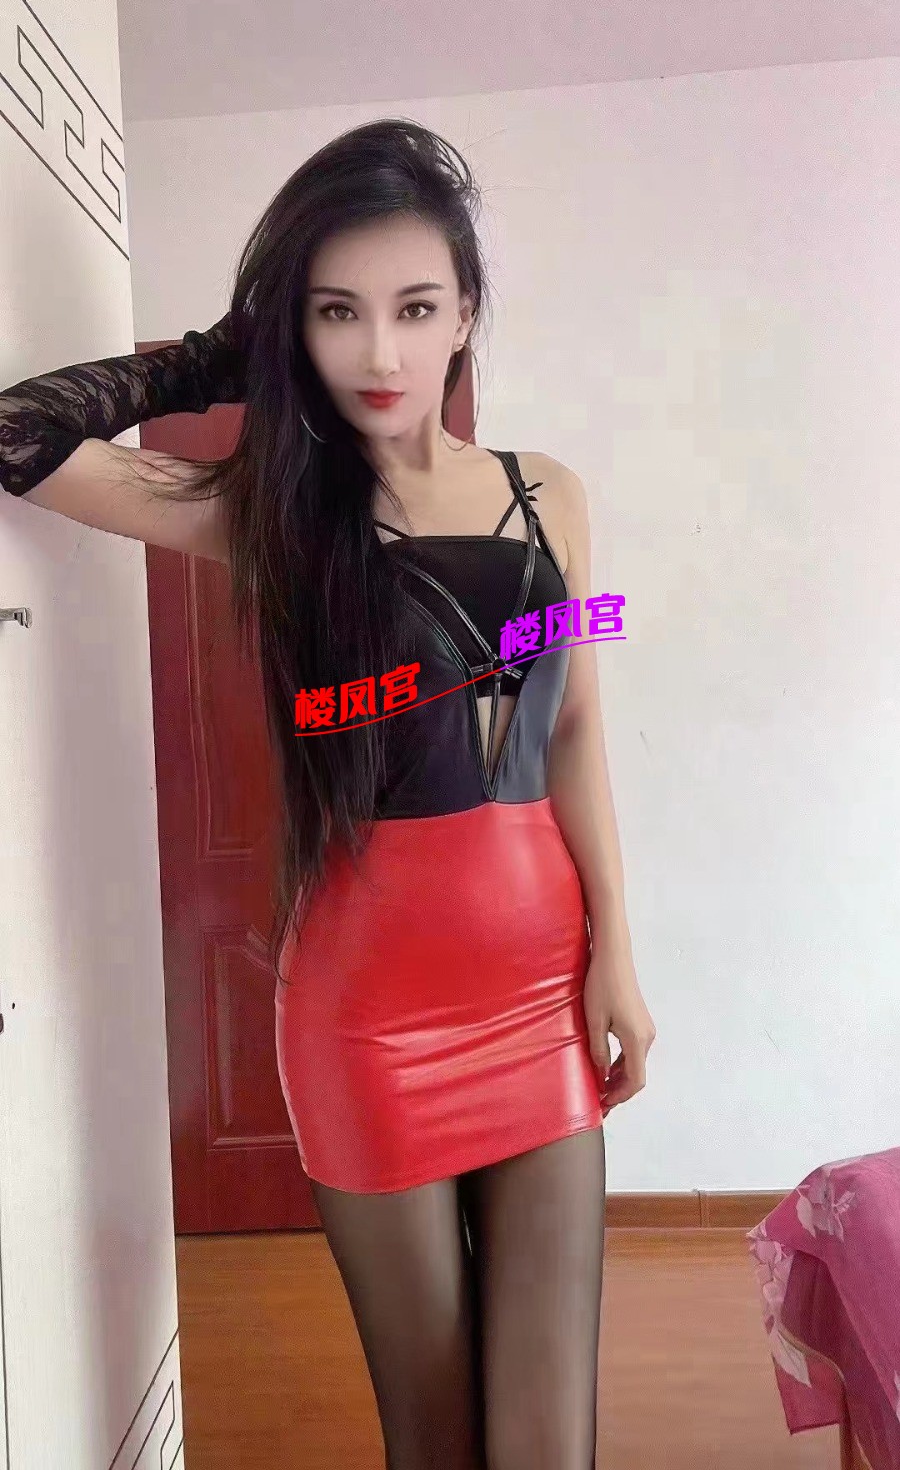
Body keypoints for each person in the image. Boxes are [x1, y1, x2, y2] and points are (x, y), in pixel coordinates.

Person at [0, 117, 656, 1469]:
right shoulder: (268, 514)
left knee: (550, 1447)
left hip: (538, 994)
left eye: (414, 308)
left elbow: (576, 726)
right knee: (435, 1438)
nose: (379, 354)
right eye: (335, 312)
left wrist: (617, 958)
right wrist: (218, 355)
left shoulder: (551, 496)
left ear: (465, 314)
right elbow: (17, 433)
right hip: (370, 1019)